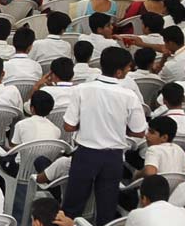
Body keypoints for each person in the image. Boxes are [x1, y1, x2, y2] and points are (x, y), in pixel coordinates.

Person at [62, 47, 148, 225]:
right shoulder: (129, 96)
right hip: (113, 157)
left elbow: (68, 126)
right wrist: (118, 128)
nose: (128, 72)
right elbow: (139, 131)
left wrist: (87, 124)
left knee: (71, 207)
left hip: (85, 155)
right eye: (127, 69)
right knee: (106, 211)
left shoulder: (82, 89)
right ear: (118, 71)